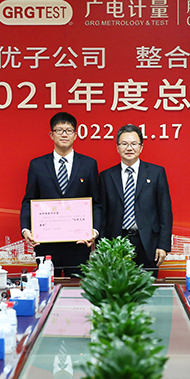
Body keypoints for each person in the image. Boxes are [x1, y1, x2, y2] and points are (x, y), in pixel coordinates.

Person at [20, 112, 100, 277]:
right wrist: (26, 229)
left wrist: (94, 231)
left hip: (78, 244)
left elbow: (96, 203)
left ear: (75, 135)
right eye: (59, 130)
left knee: (78, 289)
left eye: (69, 130)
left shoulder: (89, 164)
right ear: (51, 134)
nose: (64, 134)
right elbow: (29, 200)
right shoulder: (37, 165)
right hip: (46, 243)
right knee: (46, 287)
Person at [99, 124, 173, 277]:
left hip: (148, 243)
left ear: (141, 147)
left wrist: (163, 245)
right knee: (117, 288)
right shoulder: (106, 176)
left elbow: (165, 211)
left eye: (134, 144)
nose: (129, 148)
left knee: (147, 288)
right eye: (124, 144)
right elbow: (103, 213)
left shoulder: (156, 173)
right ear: (117, 147)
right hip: (116, 243)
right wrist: (102, 246)